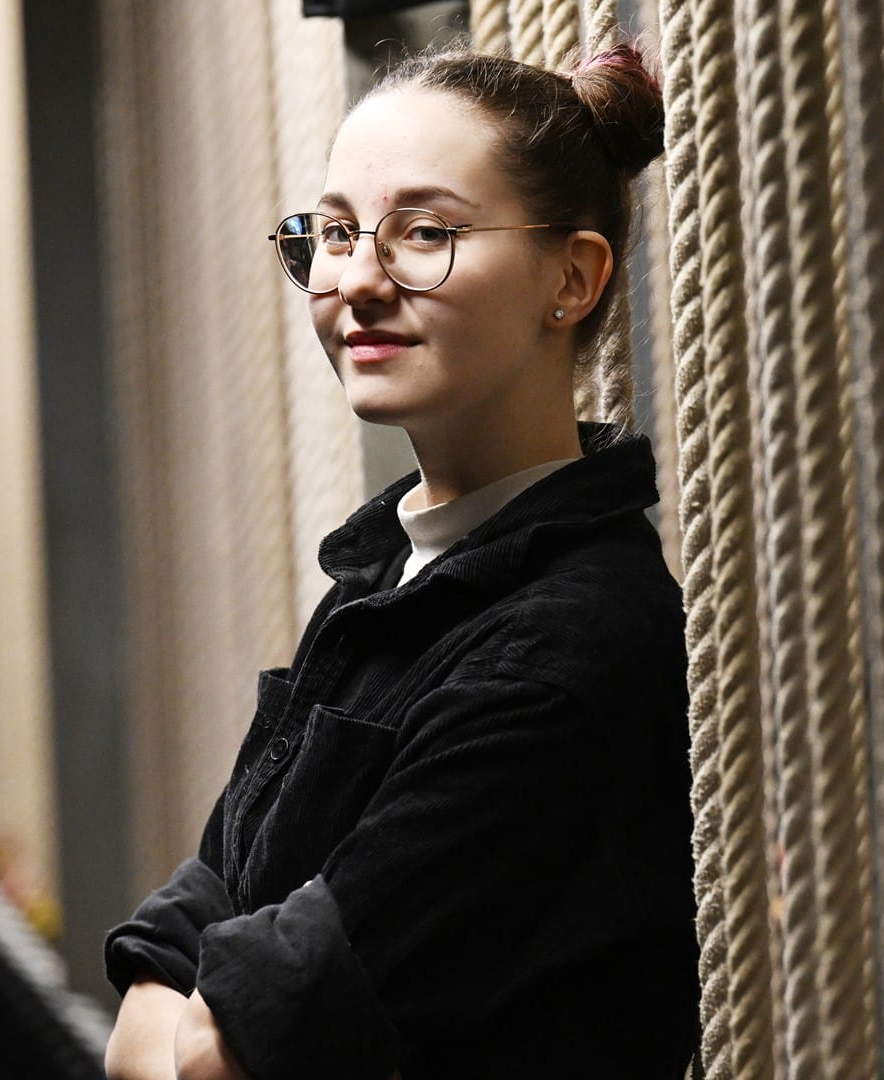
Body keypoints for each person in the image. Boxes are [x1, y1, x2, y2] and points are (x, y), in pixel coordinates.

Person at [101, 41, 698, 1080]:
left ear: (573, 277)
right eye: (336, 233)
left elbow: (216, 1053)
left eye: (425, 234)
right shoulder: (391, 574)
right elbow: (176, 945)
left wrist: (205, 1007)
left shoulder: (567, 651)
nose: (358, 280)